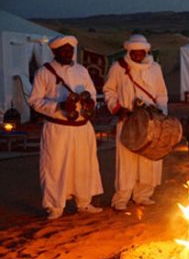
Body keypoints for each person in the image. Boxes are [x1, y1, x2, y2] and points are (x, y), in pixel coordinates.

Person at [28, 35, 104, 220]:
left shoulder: (81, 70)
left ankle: (84, 202)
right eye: (63, 50)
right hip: (58, 128)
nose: (68, 53)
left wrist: (89, 103)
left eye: (70, 50)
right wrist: (58, 107)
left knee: (83, 164)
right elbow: (34, 101)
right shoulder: (44, 73)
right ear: (54, 52)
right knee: (55, 166)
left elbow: (92, 93)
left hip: (82, 127)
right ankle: (55, 207)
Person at [103, 34, 168, 211]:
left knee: (149, 157)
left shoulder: (155, 68)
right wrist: (117, 108)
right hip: (128, 120)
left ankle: (143, 194)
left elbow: (161, 93)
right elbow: (109, 91)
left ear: (146, 51)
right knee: (126, 160)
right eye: (134, 52)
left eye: (140, 52)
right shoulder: (118, 67)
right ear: (129, 51)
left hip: (150, 120)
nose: (137, 55)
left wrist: (161, 112)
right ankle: (121, 198)